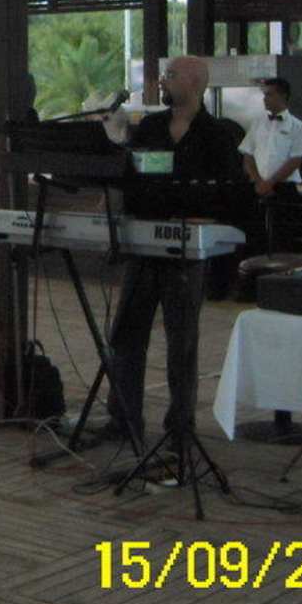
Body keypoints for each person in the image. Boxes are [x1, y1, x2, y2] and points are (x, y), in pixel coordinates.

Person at [105, 56, 243, 452]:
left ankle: (180, 427)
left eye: (171, 75)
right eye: (164, 75)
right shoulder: (150, 127)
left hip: (185, 251)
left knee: (181, 341)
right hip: (144, 243)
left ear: (195, 82)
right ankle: (123, 419)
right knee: (127, 335)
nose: (163, 81)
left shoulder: (217, 134)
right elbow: (130, 174)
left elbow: (230, 189)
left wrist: (206, 212)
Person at [239, 77, 302, 198]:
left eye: (269, 95)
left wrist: (270, 183)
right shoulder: (257, 123)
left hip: (284, 187)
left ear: (283, 96)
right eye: (264, 95)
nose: (264, 99)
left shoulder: (298, 127)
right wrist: (258, 181)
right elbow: (248, 155)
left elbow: (295, 160)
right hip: (257, 186)